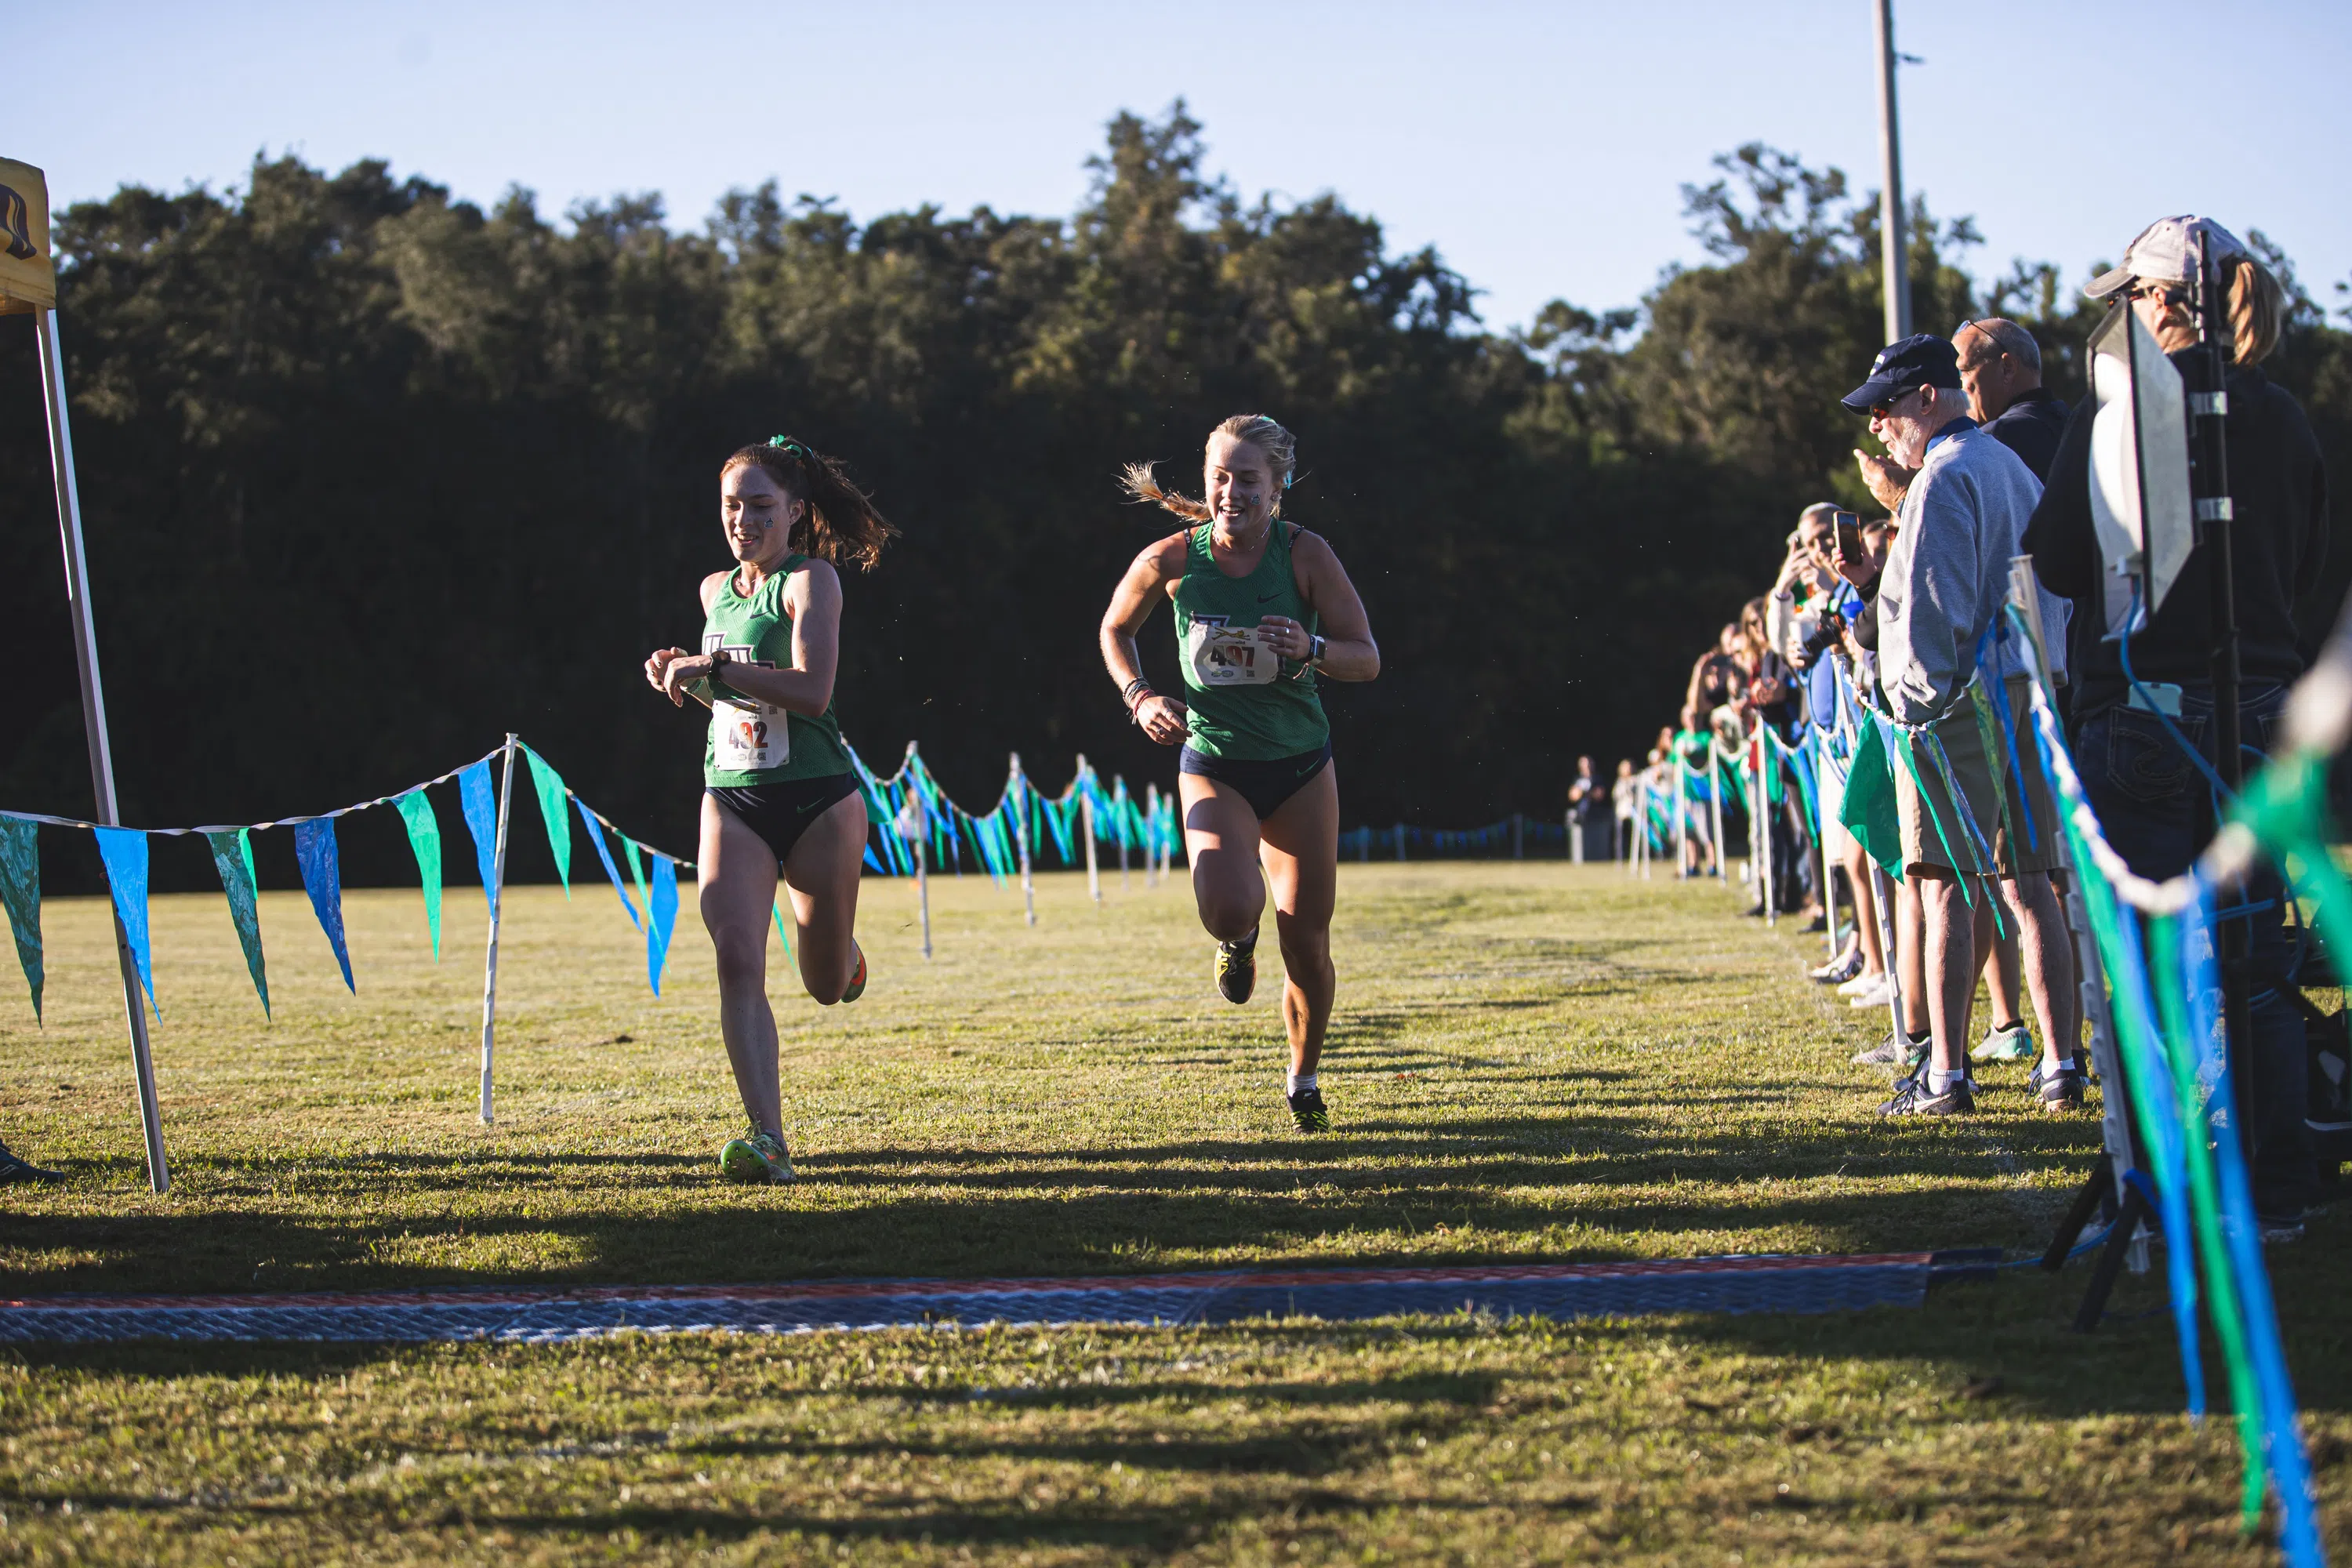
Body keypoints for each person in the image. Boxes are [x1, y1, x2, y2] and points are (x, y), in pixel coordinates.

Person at [2024, 217, 2329, 1235]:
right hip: (2263, 712)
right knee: (2254, 963)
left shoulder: (2117, 413)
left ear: (2160, 303)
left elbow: (2060, 563)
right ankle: (2280, 1184)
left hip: (2149, 707)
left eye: (2134, 298)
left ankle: (2166, 1183)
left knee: (2151, 970)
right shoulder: (2284, 414)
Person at [1099, 415, 1381, 1134]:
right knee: (1228, 905)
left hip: (1299, 769)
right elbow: (1114, 629)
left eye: (1247, 479)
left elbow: (1366, 657)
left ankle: (1304, 1078)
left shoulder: (1306, 555)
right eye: (1219, 477)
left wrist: (1311, 646)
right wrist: (1140, 695)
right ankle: (1236, 940)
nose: (1229, 492)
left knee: (1307, 943)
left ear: (1278, 486)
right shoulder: (1170, 558)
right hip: (1216, 762)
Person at [643, 436, 897, 1184]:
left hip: (819, 799)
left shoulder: (810, 581)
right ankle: (768, 1138)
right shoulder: (711, 589)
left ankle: (844, 956)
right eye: (732, 506)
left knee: (822, 985)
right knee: (736, 959)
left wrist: (713, 667)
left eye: (760, 506)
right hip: (731, 796)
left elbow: (812, 690)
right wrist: (678, 677)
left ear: (794, 511)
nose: (744, 520)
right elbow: (732, 703)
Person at [1839, 334, 2079, 1117]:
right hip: (2021, 690)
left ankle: (1945, 1073)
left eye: (1884, 408)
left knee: (1943, 886)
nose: (1877, 426)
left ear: (1929, 398)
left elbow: (1935, 618)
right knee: (2031, 884)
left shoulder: (1944, 479)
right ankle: (2062, 1065)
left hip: (1957, 708)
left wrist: (1910, 704)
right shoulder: (2007, 462)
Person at [1854, 317, 2071, 510]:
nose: (1954, 390)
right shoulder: (2071, 422)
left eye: (1961, 373)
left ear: (2007, 367)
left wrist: (1903, 498)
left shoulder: (1996, 438)